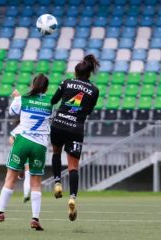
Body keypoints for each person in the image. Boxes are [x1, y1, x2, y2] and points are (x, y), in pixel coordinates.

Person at [0, 74, 52, 231]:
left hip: (22, 141)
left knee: (10, 178)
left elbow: (12, 112)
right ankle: (35, 218)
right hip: (40, 145)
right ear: (46, 88)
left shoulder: (23, 99)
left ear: (32, 85)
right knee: (36, 183)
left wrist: (16, 96)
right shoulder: (50, 102)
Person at [50, 54, 100, 221]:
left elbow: (53, 100)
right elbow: (88, 111)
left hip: (58, 124)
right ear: (90, 73)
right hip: (76, 128)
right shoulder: (94, 90)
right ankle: (72, 197)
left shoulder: (65, 82)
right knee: (73, 167)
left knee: (56, 152)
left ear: (76, 72)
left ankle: (57, 183)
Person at [9, 122, 31, 203]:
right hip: (29, 150)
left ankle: (21, 171)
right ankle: (26, 194)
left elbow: (11, 138)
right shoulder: (24, 125)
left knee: (25, 174)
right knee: (28, 174)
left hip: (24, 150)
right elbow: (11, 138)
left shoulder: (24, 124)